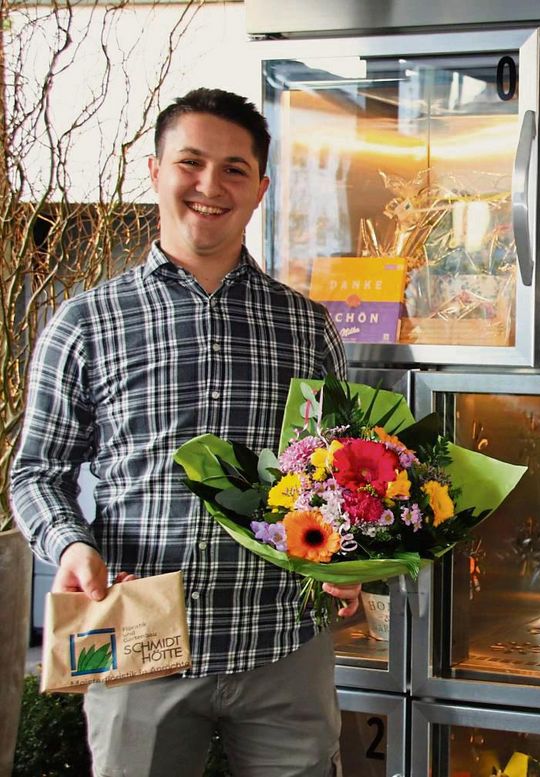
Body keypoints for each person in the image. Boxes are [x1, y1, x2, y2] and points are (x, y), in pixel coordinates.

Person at [10, 88, 358, 776]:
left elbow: (332, 472)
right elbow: (36, 472)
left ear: (260, 189)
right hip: (137, 644)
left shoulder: (306, 324)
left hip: (282, 641)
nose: (209, 186)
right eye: (190, 162)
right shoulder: (86, 322)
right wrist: (71, 545)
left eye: (234, 169)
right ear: (155, 170)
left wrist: (350, 553)